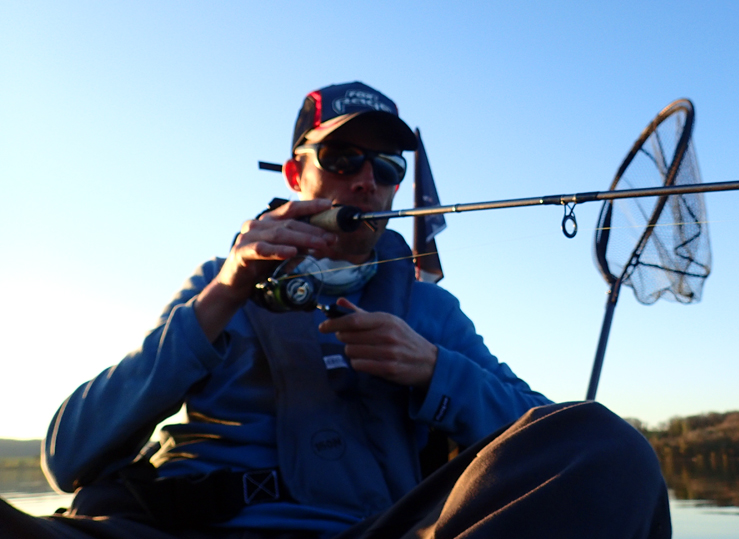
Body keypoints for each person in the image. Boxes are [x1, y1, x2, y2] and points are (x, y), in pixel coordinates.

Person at [0, 82, 672, 539]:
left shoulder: (430, 310)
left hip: (372, 530)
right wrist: (224, 293)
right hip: (181, 528)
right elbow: (67, 455)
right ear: (296, 174)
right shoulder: (215, 287)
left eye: (387, 166)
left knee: (611, 449)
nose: (366, 180)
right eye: (343, 157)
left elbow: (547, 429)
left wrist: (435, 370)